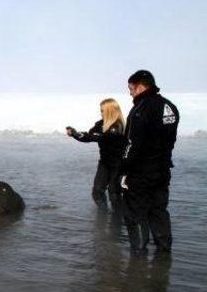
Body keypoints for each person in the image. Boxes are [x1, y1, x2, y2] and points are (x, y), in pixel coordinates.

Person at [121, 70, 179, 254]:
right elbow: (170, 141)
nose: (130, 93)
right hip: (162, 170)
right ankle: (164, 254)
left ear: (140, 86)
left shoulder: (141, 109)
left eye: (131, 88)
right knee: (159, 211)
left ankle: (138, 257)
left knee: (135, 213)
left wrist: (123, 171)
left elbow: (131, 144)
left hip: (141, 173)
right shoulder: (169, 107)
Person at [66, 98, 127, 211]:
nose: (101, 113)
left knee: (114, 193)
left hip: (119, 165)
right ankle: (103, 216)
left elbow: (104, 137)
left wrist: (91, 135)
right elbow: (89, 136)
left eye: (103, 110)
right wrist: (74, 133)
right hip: (105, 163)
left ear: (110, 111)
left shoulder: (119, 126)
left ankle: (117, 221)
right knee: (97, 192)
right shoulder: (100, 124)